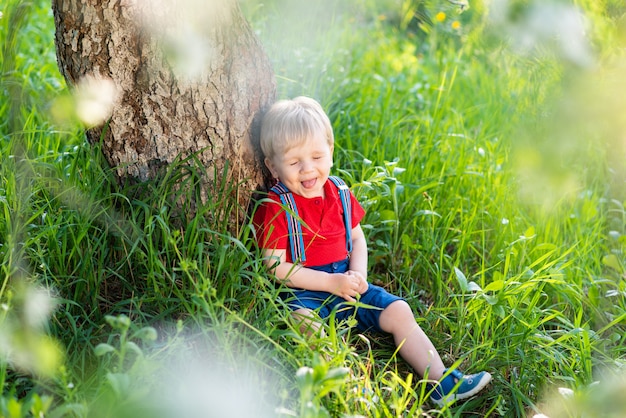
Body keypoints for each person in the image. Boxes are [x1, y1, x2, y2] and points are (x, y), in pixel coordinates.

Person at [252, 96, 491, 406]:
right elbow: (275, 267)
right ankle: (351, 390)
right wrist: (328, 284)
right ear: (272, 166)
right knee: (305, 325)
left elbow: (357, 239)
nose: (308, 169)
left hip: (348, 282)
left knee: (399, 311)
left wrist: (358, 275)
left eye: (316, 156)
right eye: (295, 162)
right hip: (304, 291)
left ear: (331, 153)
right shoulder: (276, 205)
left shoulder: (339, 192)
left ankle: (441, 381)